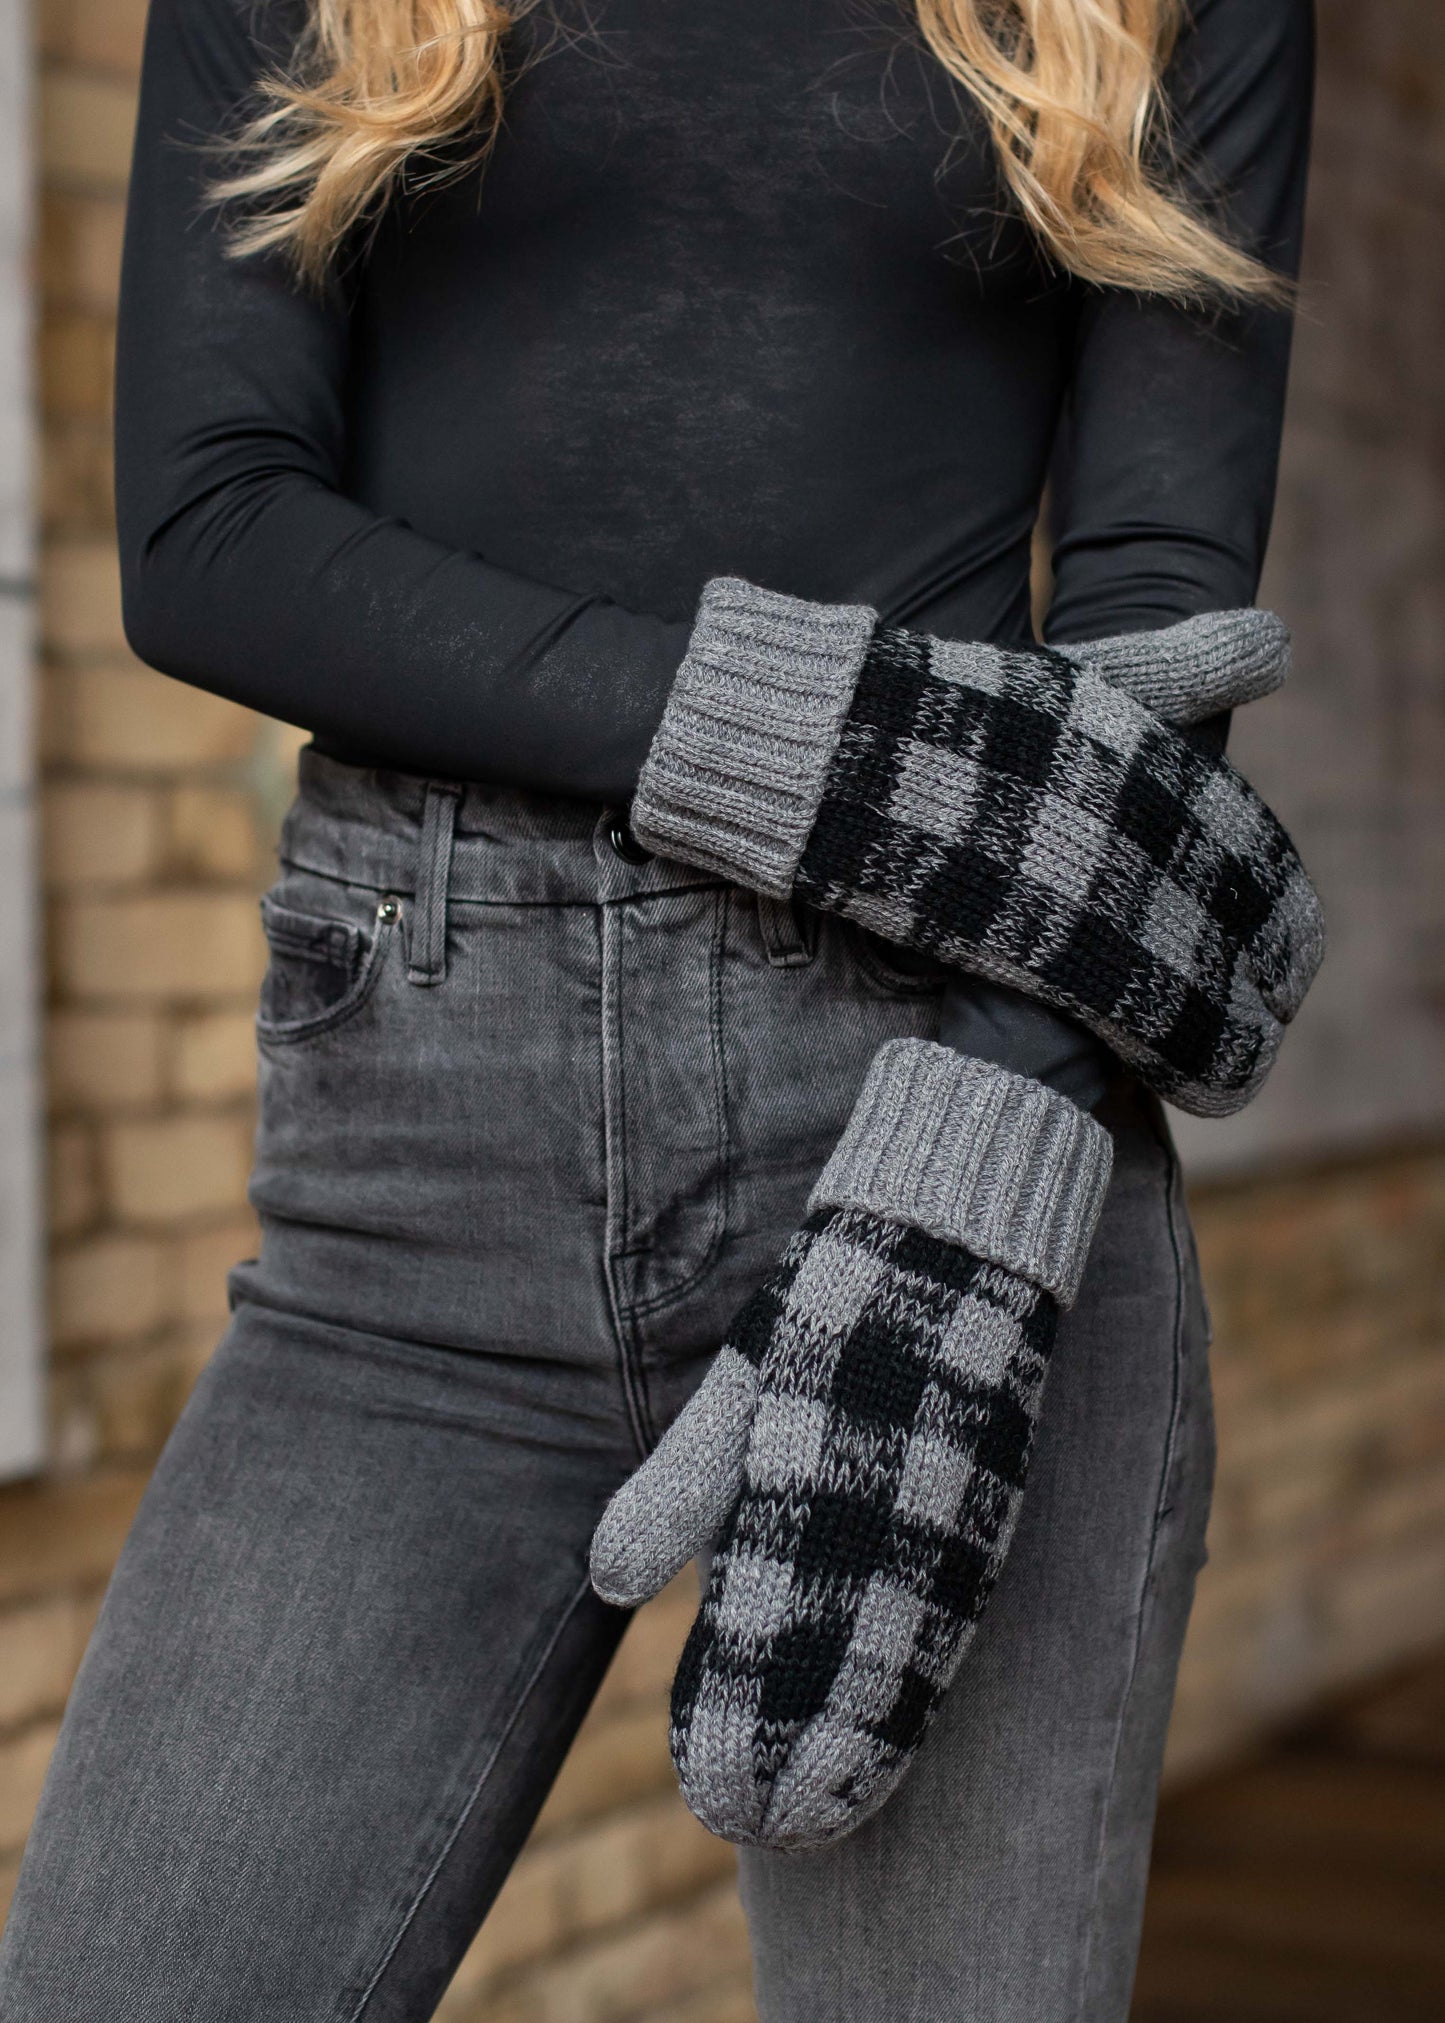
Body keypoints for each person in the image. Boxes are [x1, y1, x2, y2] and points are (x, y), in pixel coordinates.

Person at [0, 2, 1316, 2017]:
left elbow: (1159, 597)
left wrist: (974, 1181)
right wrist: (818, 746)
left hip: (963, 1079)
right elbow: (210, 532)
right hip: (428, 1152)